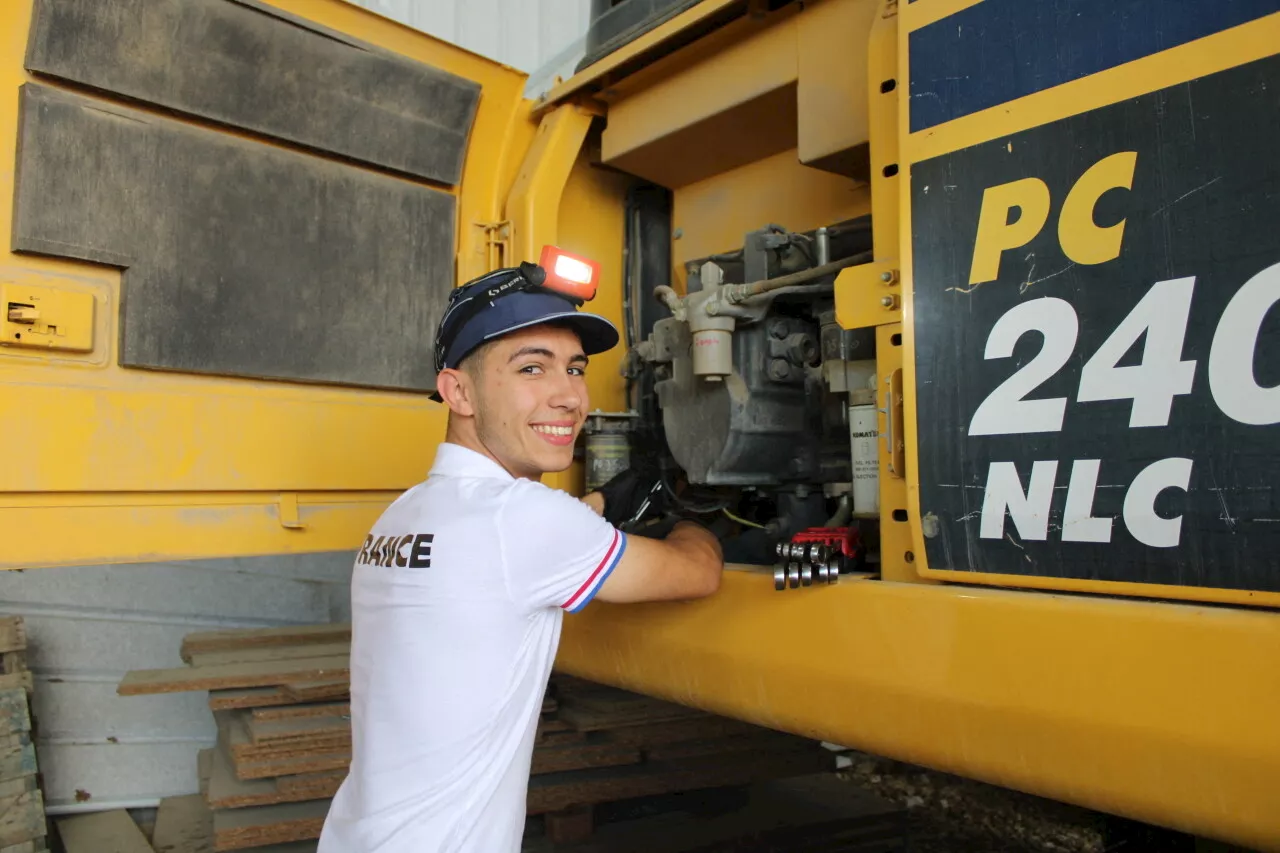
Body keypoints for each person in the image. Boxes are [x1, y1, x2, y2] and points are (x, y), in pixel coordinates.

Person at [317, 261, 725, 853]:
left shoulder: (404, 514)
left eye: (576, 369)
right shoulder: (524, 521)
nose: (570, 396)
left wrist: (599, 504)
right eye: (532, 367)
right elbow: (698, 572)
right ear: (458, 390)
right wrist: (696, 517)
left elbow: (509, 553)